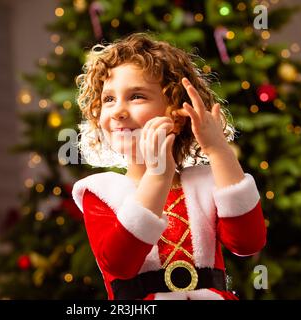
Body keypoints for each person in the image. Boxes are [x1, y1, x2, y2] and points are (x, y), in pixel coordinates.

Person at [71, 33, 266, 300]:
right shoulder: (101, 191)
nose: (118, 111)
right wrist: (157, 176)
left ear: (176, 117)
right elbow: (118, 263)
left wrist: (219, 151)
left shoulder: (207, 182)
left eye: (136, 96)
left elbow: (247, 243)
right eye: (108, 99)